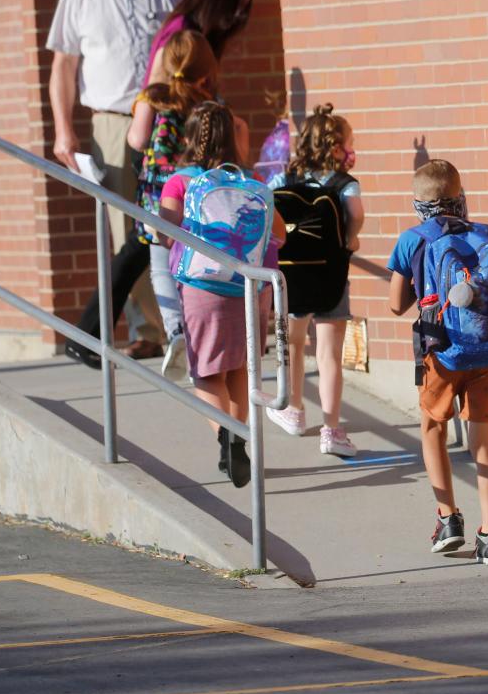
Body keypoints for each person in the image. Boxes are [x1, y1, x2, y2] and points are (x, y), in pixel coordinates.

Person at [63, 0, 256, 371]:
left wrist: (149, 163)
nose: (240, 14)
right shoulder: (184, 42)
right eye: (238, 4)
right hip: (180, 185)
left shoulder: (163, 86)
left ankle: (164, 332)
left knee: (149, 254)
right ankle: (142, 332)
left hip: (160, 183)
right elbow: (151, 128)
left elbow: (140, 133)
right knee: (146, 253)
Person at [48, 0, 187, 360]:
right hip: (111, 123)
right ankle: (152, 331)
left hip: (167, 120)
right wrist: (63, 130)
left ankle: (187, 322)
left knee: (177, 219)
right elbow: (64, 66)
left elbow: (191, 53)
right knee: (128, 229)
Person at [386, 160, 488, 566]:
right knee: (484, 442)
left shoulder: (412, 239)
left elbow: (395, 304)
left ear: (418, 204)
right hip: (486, 351)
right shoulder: (483, 235)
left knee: (432, 428)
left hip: (440, 352)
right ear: (461, 197)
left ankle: (448, 519)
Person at [158, 102, 285, 486]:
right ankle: (237, 437)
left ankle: (226, 436)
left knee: (207, 372)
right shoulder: (248, 183)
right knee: (240, 369)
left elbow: (167, 232)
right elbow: (279, 233)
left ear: (190, 136)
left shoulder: (179, 181)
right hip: (251, 285)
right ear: (232, 138)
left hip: (202, 287)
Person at [264, 104, 364, 455]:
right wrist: (351, 238)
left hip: (293, 278)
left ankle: (293, 410)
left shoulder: (282, 181)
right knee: (329, 354)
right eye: (349, 143)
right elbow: (356, 214)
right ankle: (332, 430)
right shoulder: (344, 184)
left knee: (292, 344)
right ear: (336, 147)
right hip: (331, 276)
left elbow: (267, 210)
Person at [125, 31, 218, 380]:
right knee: (194, 264)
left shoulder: (154, 97)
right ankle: (199, 333)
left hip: (156, 200)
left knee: (161, 266)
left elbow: (136, 139)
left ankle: (175, 330)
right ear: (205, 69)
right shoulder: (208, 101)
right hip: (194, 194)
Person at [144, 0, 255, 87]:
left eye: (243, 8)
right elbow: (154, 92)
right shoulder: (180, 31)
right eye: (235, 4)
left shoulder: (203, 34)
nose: (238, 14)